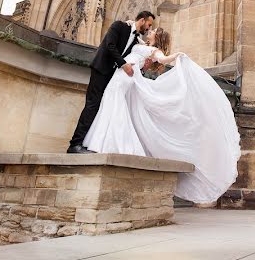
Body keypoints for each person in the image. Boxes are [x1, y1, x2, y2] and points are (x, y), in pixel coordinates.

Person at [82, 27, 240, 204]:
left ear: (157, 37)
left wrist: (178, 55)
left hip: (127, 77)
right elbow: (132, 37)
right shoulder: (141, 43)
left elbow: (163, 58)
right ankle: (109, 143)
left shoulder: (153, 50)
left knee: (116, 106)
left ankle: (111, 144)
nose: (150, 30)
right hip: (123, 76)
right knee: (115, 106)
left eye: (153, 30)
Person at [66, 10, 154, 154]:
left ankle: (89, 143)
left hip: (114, 76)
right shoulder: (119, 26)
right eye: (149, 24)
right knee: (92, 105)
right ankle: (75, 144)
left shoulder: (137, 40)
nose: (149, 28)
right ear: (142, 20)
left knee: (103, 107)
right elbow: (109, 45)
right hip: (101, 69)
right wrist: (123, 64)